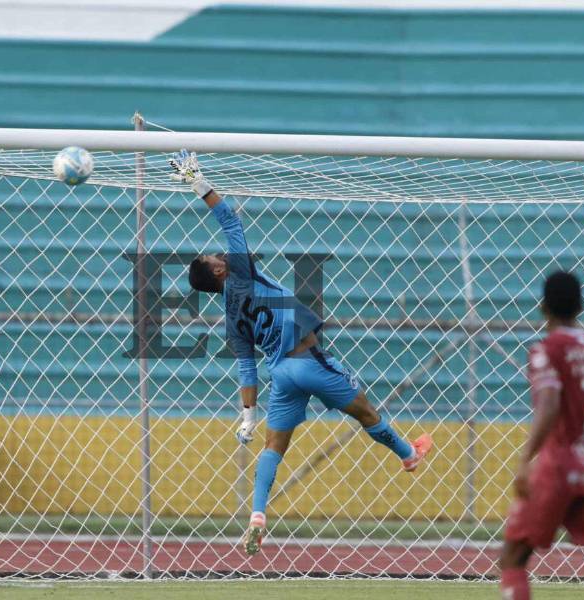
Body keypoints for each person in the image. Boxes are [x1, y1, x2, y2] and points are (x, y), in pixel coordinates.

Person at [170, 150, 432, 556]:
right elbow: (230, 220)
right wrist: (196, 180)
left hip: (282, 378)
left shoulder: (228, 317)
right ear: (219, 271)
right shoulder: (242, 271)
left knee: (274, 446)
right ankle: (409, 455)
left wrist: (246, 417)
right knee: (367, 414)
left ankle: (257, 513)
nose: (219, 255)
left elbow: (246, 368)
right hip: (309, 361)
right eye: (214, 258)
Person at [500, 270, 584, 599]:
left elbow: (550, 403)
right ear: (581, 307)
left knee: (513, 556)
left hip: (558, 469)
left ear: (543, 307)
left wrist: (526, 458)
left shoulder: (547, 350)